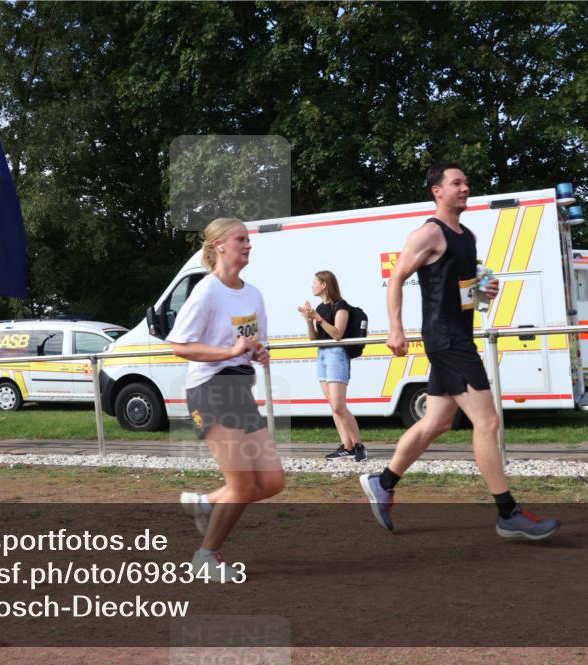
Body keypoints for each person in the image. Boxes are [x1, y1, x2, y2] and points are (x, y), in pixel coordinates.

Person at [361, 163, 560, 540]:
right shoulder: (427, 233)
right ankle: (507, 512)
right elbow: (397, 278)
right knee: (487, 423)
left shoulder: (466, 236)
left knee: (436, 422)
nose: (465, 188)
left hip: (458, 335)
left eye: (467, 182)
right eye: (456, 183)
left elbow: (460, 285)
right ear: (437, 191)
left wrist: (481, 290)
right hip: (446, 340)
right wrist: (397, 330)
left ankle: (383, 482)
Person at [170, 217, 284, 581]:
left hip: (240, 389)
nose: (247, 245)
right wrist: (228, 352)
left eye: (248, 240)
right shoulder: (207, 290)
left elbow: (251, 344)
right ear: (219, 245)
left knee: (271, 482)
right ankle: (205, 558)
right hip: (211, 389)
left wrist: (257, 353)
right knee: (241, 486)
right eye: (240, 239)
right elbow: (180, 346)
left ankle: (205, 502)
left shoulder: (253, 294)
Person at [298, 271, 367, 461]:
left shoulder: (340, 306)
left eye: (314, 282)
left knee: (338, 406)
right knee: (333, 406)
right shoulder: (320, 307)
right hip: (322, 355)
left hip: (337, 355)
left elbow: (337, 334)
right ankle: (347, 446)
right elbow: (314, 338)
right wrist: (309, 320)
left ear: (324, 285)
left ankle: (359, 446)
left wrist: (319, 318)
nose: (312, 286)